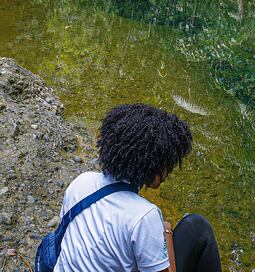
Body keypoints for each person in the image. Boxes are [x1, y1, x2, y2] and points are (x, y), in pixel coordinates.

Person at [53, 104, 222, 272]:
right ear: (150, 164)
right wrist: (167, 232)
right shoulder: (144, 215)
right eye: (168, 162)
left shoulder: (82, 181)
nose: (169, 170)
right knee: (198, 227)